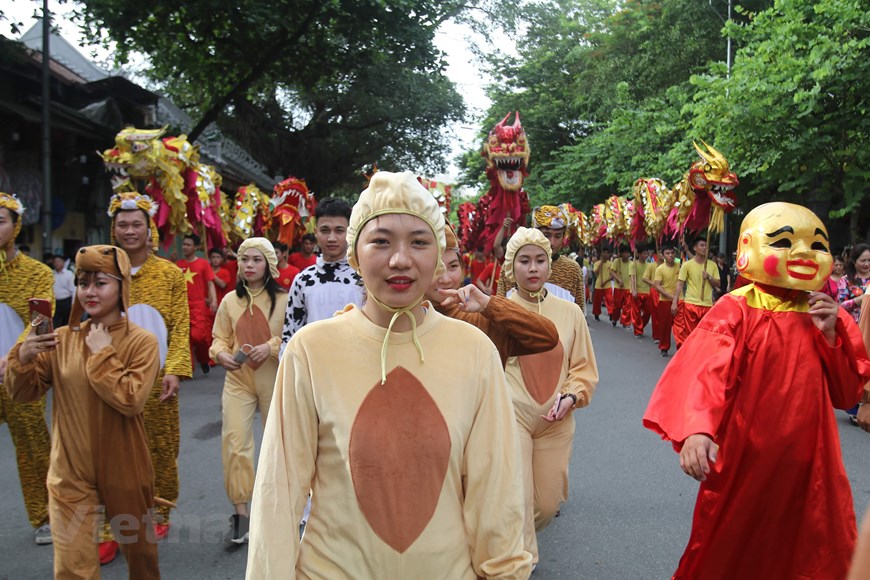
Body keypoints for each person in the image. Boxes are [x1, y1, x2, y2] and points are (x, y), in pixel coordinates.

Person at [247, 171, 532, 578]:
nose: (400, 259)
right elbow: (280, 489)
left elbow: (497, 492)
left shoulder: (475, 352)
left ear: (439, 255)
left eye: (419, 241)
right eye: (380, 241)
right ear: (355, 254)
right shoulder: (310, 351)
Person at [643, 202, 870, 578]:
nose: (803, 253)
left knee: (815, 548)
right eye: (784, 242)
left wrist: (831, 335)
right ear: (748, 248)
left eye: (816, 245)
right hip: (747, 457)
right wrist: (697, 430)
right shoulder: (736, 309)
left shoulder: (826, 312)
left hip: (813, 463)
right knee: (731, 543)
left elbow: (845, 394)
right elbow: (704, 371)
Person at [6, 244, 161, 578]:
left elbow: (131, 400)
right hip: (69, 471)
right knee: (72, 567)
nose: (89, 291)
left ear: (122, 286)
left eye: (100, 282)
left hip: (125, 465)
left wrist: (103, 354)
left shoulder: (142, 342)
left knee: (141, 558)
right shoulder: (61, 339)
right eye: (82, 282)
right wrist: (23, 359)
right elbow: (25, 394)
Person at [500, 227, 599, 568]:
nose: (533, 268)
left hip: (556, 423)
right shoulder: (497, 311)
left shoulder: (570, 313)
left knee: (545, 505)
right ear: (511, 267)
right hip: (511, 417)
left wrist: (571, 396)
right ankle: (521, 563)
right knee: (518, 497)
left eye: (540, 260)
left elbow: (584, 368)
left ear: (549, 264)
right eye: (524, 261)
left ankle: (521, 545)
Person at [108, 191, 191, 560]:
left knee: (160, 446)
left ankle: (159, 506)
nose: (129, 231)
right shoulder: (104, 270)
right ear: (114, 228)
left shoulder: (169, 274)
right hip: (109, 378)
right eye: (122, 224)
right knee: (109, 452)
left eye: (136, 224)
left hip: (157, 378)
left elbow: (179, 326)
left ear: (149, 228)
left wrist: (174, 368)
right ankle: (112, 520)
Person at [210, 238, 288, 544]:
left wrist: (269, 347)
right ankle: (241, 514)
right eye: (244, 260)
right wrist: (220, 354)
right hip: (237, 381)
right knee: (235, 443)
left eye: (256, 260)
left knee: (277, 443)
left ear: (269, 264)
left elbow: (293, 334)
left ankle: (278, 508)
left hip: (274, 379)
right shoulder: (230, 301)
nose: (249, 265)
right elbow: (219, 337)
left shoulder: (284, 299)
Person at [425, 221, 559, 366]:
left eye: (453, 266)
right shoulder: (402, 322)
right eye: (435, 267)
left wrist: (488, 304)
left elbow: (548, 337)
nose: (445, 279)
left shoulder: (484, 320)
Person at [0, 192, 53, 545]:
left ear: (16, 226)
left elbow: (39, 322)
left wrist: (14, 356)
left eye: (1, 220)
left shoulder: (38, 273)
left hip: (20, 373)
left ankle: (48, 514)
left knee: (33, 446)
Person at [280, 198, 363, 355]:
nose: (331, 238)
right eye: (325, 230)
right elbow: (290, 333)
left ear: (351, 232)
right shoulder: (303, 280)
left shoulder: (365, 278)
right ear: (316, 232)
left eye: (339, 230)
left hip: (357, 364)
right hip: (313, 366)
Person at [497, 205, 586, 313]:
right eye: (546, 235)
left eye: (558, 236)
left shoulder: (572, 270)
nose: (552, 243)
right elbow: (499, 311)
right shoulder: (511, 268)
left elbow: (579, 314)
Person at [176, 233, 217, 374]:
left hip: (198, 306)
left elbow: (210, 283)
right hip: (181, 305)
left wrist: (214, 300)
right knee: (185, 338)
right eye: (184, 244)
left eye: (188, 245)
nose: (185, 247)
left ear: (195, 247)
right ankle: (188, 368)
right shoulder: (178, 265)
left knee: (198, 336)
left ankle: (203, 358)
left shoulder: (203, 263)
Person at [671, 237, 719, 348]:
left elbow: (718, 284)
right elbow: (680, 284)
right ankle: (689, 358)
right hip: (691, 305)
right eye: (702, 245)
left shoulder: (712, 265)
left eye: (706, 246)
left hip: (707, 305)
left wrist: (709, 277)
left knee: (704, 336)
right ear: (695, 248)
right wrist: (674, 302)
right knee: (690, 335)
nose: (704, 248)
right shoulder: (687, 265)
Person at [652, 244, 680, 356]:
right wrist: (669, 295)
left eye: (672, 253)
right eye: (667, 253)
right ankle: (664, 347)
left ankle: (681, 347)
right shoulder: (660, 269)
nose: (670, 255)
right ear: (663, 255)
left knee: (680, 326)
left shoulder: (680, 266)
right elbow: (657, 286)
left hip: (679, 299)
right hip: (664, 301)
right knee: (665, 326)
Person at [840, 243, 870, 323]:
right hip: (854, 327)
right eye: (863, 261)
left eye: (869, 260)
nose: (867, 264)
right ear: (854, 261)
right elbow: (840, 306)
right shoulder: (845, 280)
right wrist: (860, 299)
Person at [629, 247, 653, 338]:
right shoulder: (633, 264)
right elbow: (632, 278)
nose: (646, 255)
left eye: (647, 254)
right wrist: (634, 290)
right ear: (639, 254)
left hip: (647, 291)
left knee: (648, 312)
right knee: (636, 312)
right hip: (636, 291)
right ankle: (638, 331)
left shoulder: (649, 265)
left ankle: (639, 325)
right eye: (644, 253)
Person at [609, 245, 632, 327]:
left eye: (628, 252)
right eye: (625, 252)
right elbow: (612, 272)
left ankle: (625, 322)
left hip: (628, 288)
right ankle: (615, 318)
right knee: (617, 306)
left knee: (627, 306)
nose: (627, 254)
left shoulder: (632, 263)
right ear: (621, 253)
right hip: (618, 288)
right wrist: (619, 280)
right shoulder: (616, 261)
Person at [52, 254, 75, 328]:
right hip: (55, 302)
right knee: (55, 324)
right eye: (55, 262)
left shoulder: (69, 274)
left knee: (66, 323)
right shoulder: (51, 274)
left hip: (66, 302)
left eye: (59, 261)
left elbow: (73, 290)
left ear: (63, 262)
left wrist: (73, 304)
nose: (57, 263)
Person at [591, 247, 613, 321]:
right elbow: (596, 273)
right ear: (601, 254)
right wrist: (601, 263)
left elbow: (612, 275)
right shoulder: (597, 263)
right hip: (599, 285)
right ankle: (596, 314)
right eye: (604, 253)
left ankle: (611, 313)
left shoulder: (611, 264)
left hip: (607, 285)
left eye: (607, 253)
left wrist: (605, 281)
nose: (605, 254)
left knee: (609, 300)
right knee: (597, 301)